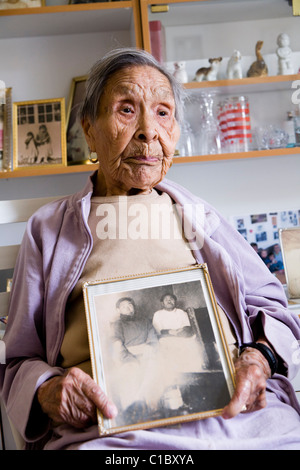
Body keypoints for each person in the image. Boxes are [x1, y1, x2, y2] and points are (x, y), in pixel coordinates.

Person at [1, 48, 300, 451]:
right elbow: (18, 361)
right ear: (89, 129)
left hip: (239, 422)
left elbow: (274, 309)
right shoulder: (49, 229)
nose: (148, 131)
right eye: (127, 110)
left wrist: (258, 358)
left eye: (163, 113)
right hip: (115, 437)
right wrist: (49, 389)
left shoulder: (198, 215)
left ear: (175, 130)